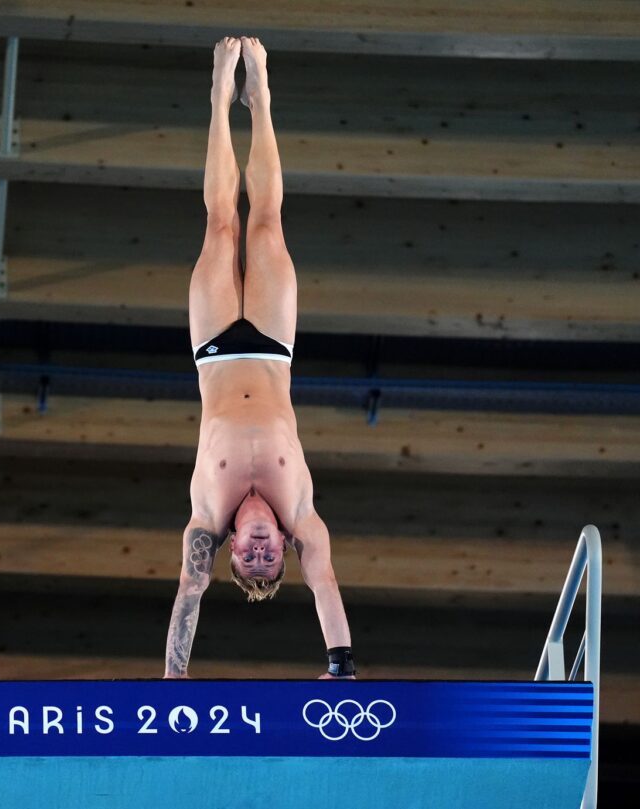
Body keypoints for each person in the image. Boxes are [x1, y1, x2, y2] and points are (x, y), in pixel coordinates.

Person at [163, 36, 354, 681]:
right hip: (273, 346)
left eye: (252, 557)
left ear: (234, 554)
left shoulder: (206, 520)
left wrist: (173, 681)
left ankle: (220, 99)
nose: (263, 546)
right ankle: (262, 99)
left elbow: (189, 596)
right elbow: (324, 584)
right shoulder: (300, 512)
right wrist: (339, 668)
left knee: (221, 222)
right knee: (266, 221)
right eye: (275, 557)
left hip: (214, 350)